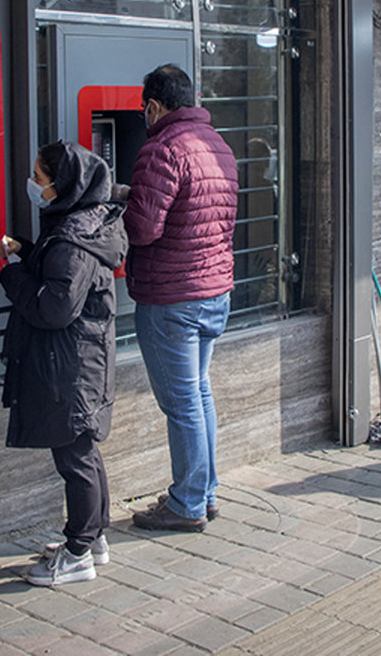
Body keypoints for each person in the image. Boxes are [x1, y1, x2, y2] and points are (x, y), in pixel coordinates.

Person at [0, 141, 128, 586]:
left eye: (39, 177)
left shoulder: (74, 237)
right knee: (84, 452)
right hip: (81, 358)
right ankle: (93, 538)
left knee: (74, 455)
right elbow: (61, 273)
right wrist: (29, 251)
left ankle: (77, 553)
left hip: (70, 365)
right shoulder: (85, 224)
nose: (33, 185)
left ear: (63, 184)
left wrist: (12, 274)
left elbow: (55, 307)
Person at [119, 64, 238, 533]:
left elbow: (144, 228)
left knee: (183, 403)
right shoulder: (219, 147)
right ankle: (204, 493)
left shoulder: (163, 148)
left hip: (172, 297)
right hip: (214, 292)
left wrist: (120, 207)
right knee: (198, 394)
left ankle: (186, 503)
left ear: (152, 105)